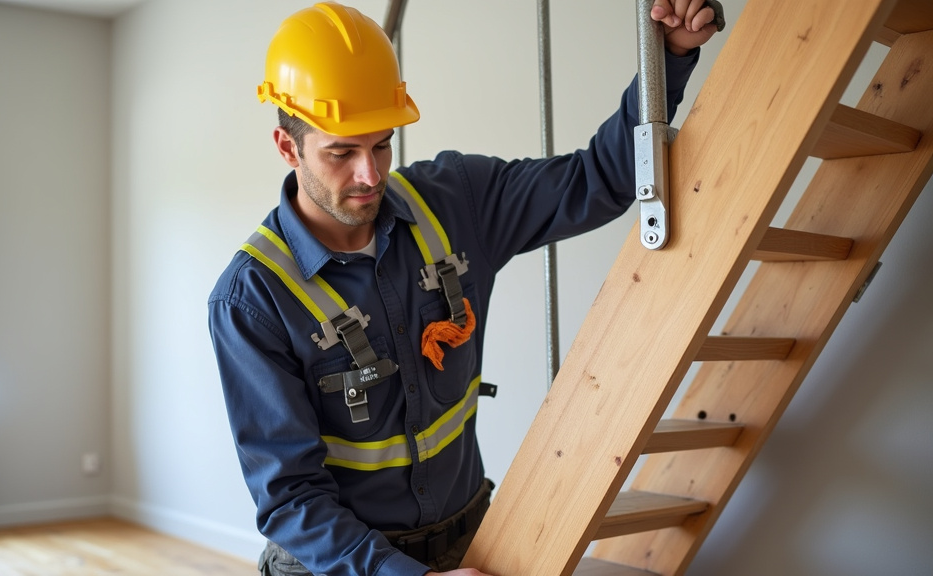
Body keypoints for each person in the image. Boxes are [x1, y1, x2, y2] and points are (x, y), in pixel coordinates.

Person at [208, 1, 719, 575]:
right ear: (287, 147)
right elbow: (291, 497)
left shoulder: (458, 202)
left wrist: (669, 55)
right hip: (337, 564)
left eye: (381, 144)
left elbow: (598, 180)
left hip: (472, 537)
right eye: (342, 153)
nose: (371, 176)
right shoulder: (251, 299)